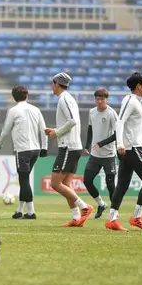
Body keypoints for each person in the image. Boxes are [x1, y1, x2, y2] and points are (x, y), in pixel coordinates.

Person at [105, 72, 142, 231]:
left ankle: (112, 219)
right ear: (138, 86)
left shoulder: (136, 102)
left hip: (129, 147)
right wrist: (119, 144)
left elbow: (134, 127)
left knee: (122, 185)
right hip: (131, 148)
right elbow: (120, 122)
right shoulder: (130, 100)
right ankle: (137, 217)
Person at [44, 72, 94, 227]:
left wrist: (56, 133)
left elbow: (72, 121)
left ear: (56, 84)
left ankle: (85, 207)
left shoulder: (64, 99)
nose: (51, 87)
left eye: (52, 83)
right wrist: (55, 130)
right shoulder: (67, 99)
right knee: (67, 183)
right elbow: (71, 122)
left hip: (68, 147)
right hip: (73, 146)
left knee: (55, 183)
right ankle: (76, 218)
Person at [0, 84, 48, 219]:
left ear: (14, 97)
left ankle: (31, 212)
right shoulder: (36, 109)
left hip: (22, 150)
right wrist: (44, 147)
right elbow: (44, 129)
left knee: (24, 181)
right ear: (27, 95)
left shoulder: (13, 111)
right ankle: (19, 210)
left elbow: (6, 130)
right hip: (35, 149)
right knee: (24, 180)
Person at [82, 88, 118, 219]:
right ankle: (101, 204)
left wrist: (101, 144)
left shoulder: (112, 113)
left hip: (109, 155)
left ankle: (114, 214)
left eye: (102, 99)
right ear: (95, 99)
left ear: (107, 100)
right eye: (97, 99)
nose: (100, 101)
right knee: (87, 181)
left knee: (110, 185)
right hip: (94, 155)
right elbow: (90, 128)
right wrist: (87, 145)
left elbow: (117, 134)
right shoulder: (92, 112)